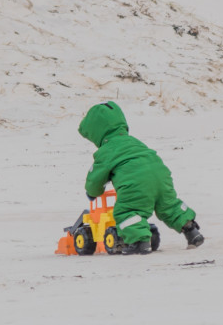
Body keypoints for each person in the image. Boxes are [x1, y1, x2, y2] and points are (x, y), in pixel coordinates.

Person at [78, 100, 202, 253]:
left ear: (96, 132)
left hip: (136, 183)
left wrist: (92, 192)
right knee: (169, 205)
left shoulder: (106, 150)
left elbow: (95, 178)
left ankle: (140, 241)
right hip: (160, 175)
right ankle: (191, 230)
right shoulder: (134, 142)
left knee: (127, 211)